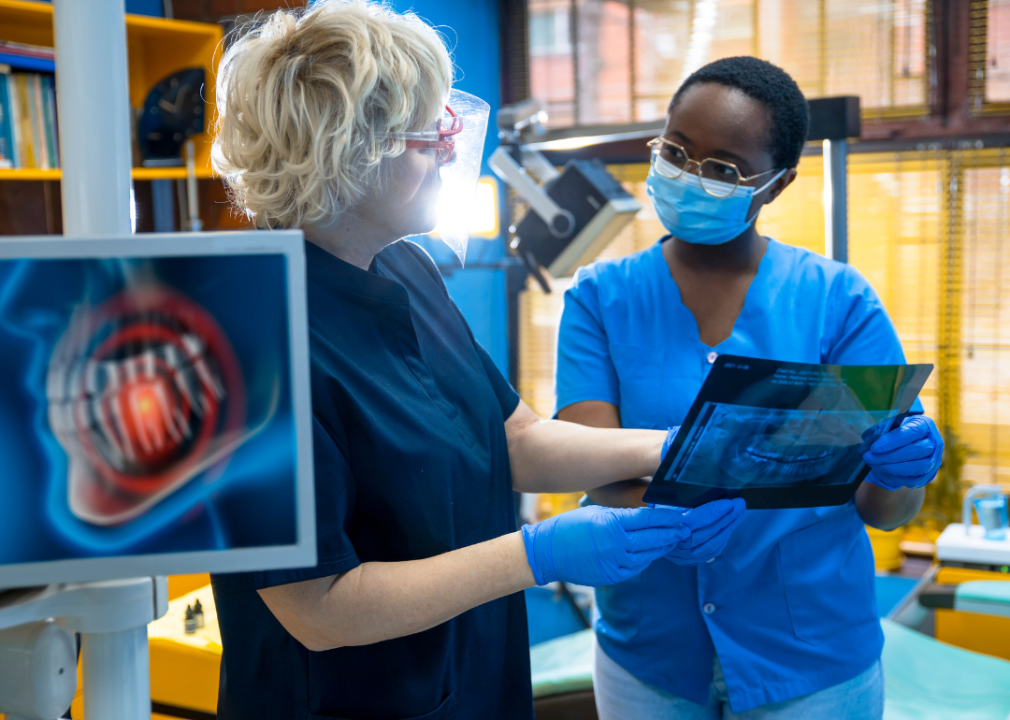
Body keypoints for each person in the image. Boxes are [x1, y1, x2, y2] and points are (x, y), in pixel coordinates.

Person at [206, 4, 747, 720]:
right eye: (428, 130)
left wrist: (678, 449)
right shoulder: (250, 339)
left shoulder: (405, 270)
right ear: (346, 150)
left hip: (472, 683)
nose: (451, 142)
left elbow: (513, 438)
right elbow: (319, 608)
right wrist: (539, 555)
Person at [556, 56, 945, 720]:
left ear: (778, 183)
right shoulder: (599, 298)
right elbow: (595, 466)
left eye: (724, 170)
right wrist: (667, 517)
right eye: (676, 151)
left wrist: (901, 470)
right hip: (651, 652)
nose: (690, 177)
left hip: (811, 658)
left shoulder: (838, 302)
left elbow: (883, 510)